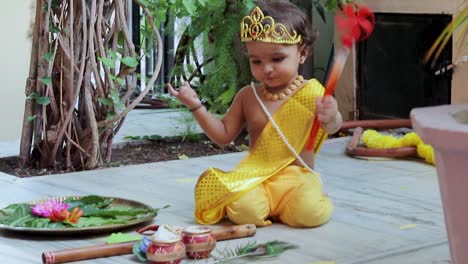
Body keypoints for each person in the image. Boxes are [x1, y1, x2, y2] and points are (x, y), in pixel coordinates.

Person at [167, 0, 342, 228]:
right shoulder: (248, 96)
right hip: (257, 179)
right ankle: (270, 208)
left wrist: (331, 116)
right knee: (243, 210)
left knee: (307, 214)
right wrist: (196, 106)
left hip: (297, 179)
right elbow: (223, 136)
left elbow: (332, 127)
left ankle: (305, 201)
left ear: (303, 53)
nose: (266, 68)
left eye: (277, 59)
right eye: (256, 61)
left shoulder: (312, 93)